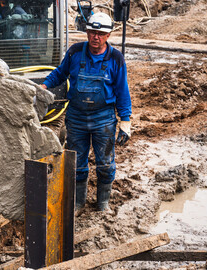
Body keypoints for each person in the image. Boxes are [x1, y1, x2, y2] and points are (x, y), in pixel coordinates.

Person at [40, 12, 132, 212]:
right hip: (77, 118)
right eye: (91, 32)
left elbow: (122, 90)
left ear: (108, 35)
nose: (95, 37)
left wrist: (125, 120)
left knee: (106, 163)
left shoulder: (115, 58)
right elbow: (60, 73)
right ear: (87, 32)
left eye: (100, 33)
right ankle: (78, 203)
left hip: (104, 120)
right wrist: (44, 86)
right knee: (77, 163)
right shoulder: (75, 52)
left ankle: (103, 203)